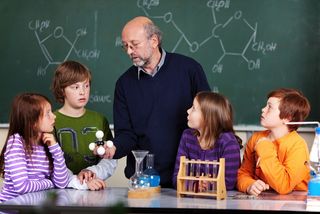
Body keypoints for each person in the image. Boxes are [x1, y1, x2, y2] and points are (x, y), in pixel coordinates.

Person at [100, 16, 211, 188]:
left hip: (189, 178)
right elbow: (126, 134)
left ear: (154, 40)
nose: (129, 51)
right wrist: (113, 148)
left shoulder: (189, 69)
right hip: (144, 180)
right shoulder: (124, 84)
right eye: (125, 46)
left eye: (134, 45)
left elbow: (210, 117)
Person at [51, 60, 117, 189]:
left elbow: (110, 159)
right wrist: (78, 181)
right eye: (75, 87)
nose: (82, 92)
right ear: (62, 90)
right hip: (60, 192)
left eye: (86, 86)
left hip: (93, 188)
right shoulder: (51, 121)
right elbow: (50, 163)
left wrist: (91, 173)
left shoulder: (99, 120)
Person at [237, 88, 311, 196]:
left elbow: (284, 185)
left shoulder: (297, 146)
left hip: (293, 202)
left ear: (287, 118)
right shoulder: (255, 138)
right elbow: (243, 174)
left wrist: (264, 147)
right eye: (265, 105)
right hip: (263, 202)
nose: (263, 109)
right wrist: (249, 185)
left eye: (269, 107)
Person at [0, 93, 68, 202]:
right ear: (33, 122)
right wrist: (49, 182)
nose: (54, 116)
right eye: (48, 113)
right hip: (12, 209)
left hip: (35, 207)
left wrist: (55, 149)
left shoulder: (47, 143)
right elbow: (22, 187)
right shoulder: (16, 142)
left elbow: (61, 183)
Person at [172, 91, 242, 190]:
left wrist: (207, 186)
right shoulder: (187, 136)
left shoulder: (228, 142)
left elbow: (229, 183)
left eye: (193, 108)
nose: (188, 111)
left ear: (207, 117)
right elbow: (176, 178)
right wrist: (195, 186)